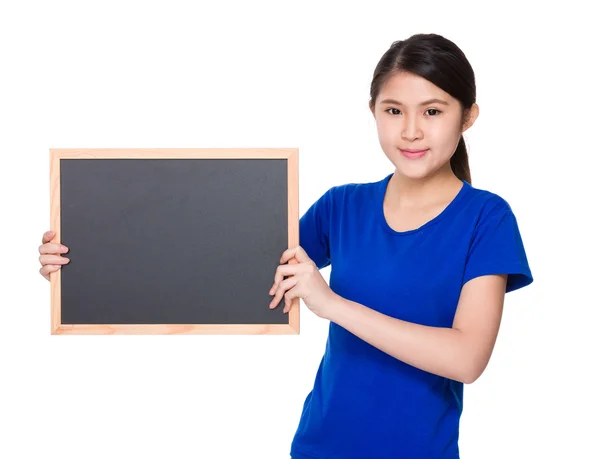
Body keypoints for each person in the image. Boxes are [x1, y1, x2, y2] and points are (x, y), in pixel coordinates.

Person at [39, 33, 533, 459]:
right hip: (318, 446)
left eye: (432, 111)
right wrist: (88, 259)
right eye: (393, 110)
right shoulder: (343, 207)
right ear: (373, 113)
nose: (410, 130)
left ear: (467, 116)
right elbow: (230, 270)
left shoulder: (487, 218)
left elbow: (467, 359)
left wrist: (332, 304)